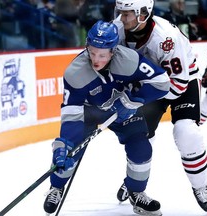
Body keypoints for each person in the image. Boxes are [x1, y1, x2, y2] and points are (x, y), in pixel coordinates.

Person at [43, 20, 170, 215]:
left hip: (123, 109)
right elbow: (71, 112)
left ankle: (136, 192)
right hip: (88, 112)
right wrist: (65, 144)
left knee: (141, 148)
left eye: (102, 54)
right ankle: (56, 187)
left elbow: (161, 82)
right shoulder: (75, 73)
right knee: (67, 153)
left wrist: (133, 100)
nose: (96, 59)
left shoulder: (130, 60)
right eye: (92, 52)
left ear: (114, 50)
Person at [113, 0, 207, 215]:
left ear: (143, 13)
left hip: (181, 82)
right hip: (148, 84)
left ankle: (200, 187)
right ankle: (135, 182)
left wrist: (139, 99)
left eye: (127, 14)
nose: (122, 19)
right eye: (120, 13)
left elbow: (178, 85)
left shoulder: (165, 38)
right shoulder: (117, 30)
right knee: (139, 136)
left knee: (187, 132)